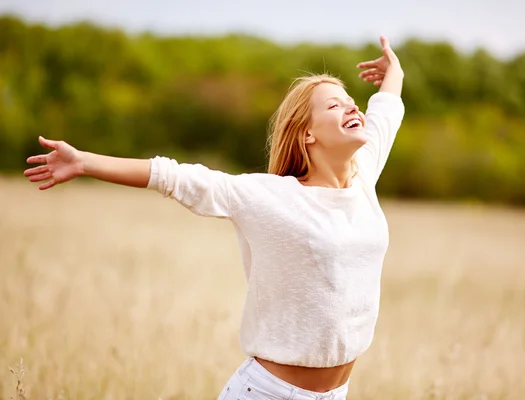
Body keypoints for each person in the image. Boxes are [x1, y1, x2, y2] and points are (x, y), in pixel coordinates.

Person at [24, 35, 405, 400]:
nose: (353, 107)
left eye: (351, 100)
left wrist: (394, 70)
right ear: (307, 134)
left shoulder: (363, 177)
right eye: (335, 105)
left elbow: (385, 109)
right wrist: (84, 162)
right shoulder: (271, 197)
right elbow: (176, 176)